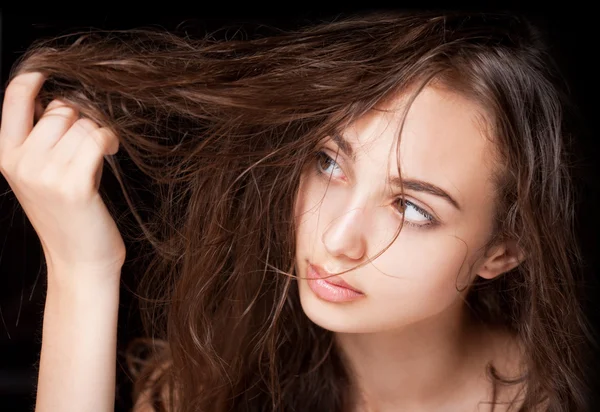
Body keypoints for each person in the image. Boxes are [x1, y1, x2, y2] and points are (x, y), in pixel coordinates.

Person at [0, 10, 595, 412]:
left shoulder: (562, 398)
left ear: (502, 249)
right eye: (330, 164)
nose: (338, 239)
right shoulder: (209, 382)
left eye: (412, 208)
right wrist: (82, 271)